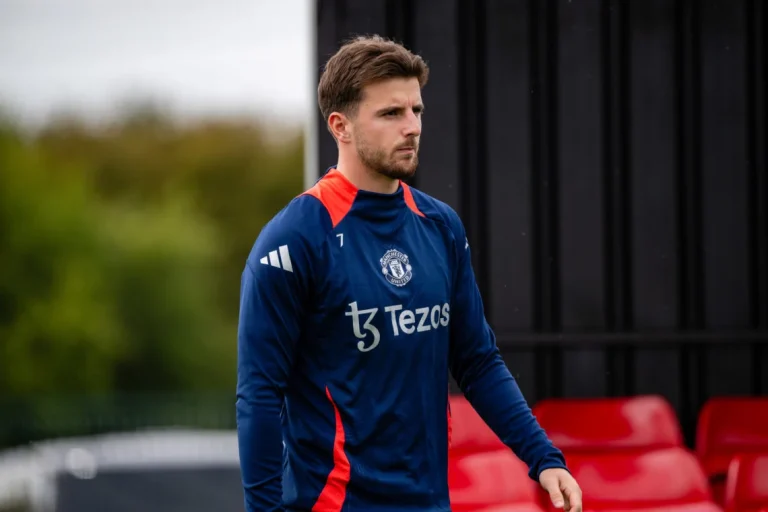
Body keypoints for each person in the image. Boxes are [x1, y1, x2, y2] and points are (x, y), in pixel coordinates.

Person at [236, 34, 582, 512]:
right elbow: (259, 395)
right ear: (341, 126)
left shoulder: (440, 225)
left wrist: (543, 457)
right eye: (391, 113)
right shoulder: (291, 241)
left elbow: (477, 361)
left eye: (416, 110)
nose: (412, 127)